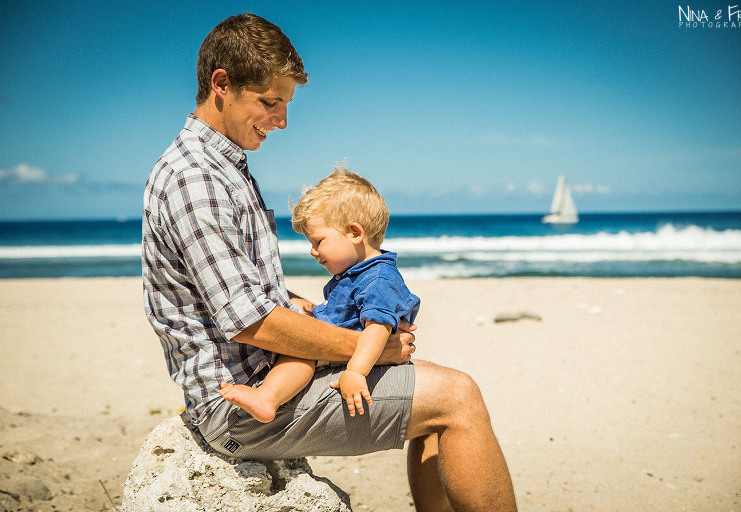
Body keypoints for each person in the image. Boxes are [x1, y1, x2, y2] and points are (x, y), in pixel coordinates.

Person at [142, 13, 517, 511]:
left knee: (436, 398)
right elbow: (251, 322)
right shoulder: (197, 179)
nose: (282, 120)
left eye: (286, 104)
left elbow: (241, 294)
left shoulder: (222, 168)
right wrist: (370, 349)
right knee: (458, 397)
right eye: (269, 102)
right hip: (242, 405)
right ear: (222, 84)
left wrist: (296, 303)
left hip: (266, 377)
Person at [219, 166, 421, 421]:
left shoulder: (379, 279)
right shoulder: (358, 273)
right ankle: (267, 397)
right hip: (345, 354)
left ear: (355, 233)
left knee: (300, 355)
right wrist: (311, 309)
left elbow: (377, 330)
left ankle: (267, 398)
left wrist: (356, 372)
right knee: (300, 348)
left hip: (358, 365)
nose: (312, 251)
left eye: (318, 241)